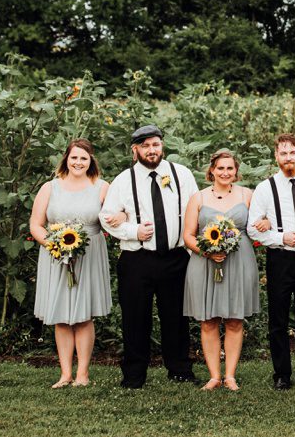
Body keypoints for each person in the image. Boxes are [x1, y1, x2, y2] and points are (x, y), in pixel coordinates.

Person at [99, 124, 200, 388]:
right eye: (145, 146)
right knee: (135, 318)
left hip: (176, 257)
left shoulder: (182, 174)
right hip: (137, 259)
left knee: (177, 317)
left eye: (155, 145)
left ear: (161, 146)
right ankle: (134, 375)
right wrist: (133, 231)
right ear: (135, 150)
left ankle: (179, 368)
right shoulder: (123, 180)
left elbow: (196, 210)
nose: (152, 150)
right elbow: (107, 218)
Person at [29, 138, 112, 388]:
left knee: (84, 315)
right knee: (62, 316)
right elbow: (35, 224)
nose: (78, 162)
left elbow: (115, 217)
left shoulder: (102, 187)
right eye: (74, 157)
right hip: (56, 256)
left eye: (83, 158)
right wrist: (54, 245)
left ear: (91, 161)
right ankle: (65, 373)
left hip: (89, 256)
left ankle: (83, 374)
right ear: (66, 159)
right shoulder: (49, 188)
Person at [247, 133, 295, 389]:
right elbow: (252, 228)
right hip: (280, 260)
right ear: (276, 157)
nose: (288, 157)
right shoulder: (265, 188)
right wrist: (281, 237)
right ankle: (282, 374)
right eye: (283, 153)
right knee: (278, 319)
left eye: (292, 152)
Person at [182, 149, 260, 391]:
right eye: (220, 168)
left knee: (235, 319)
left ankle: (231, 376)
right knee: (208, 320)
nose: (225, 172)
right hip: (204, 262)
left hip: (239, 261)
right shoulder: (199, 197)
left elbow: (260, 224)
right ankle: (214, 376)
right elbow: (187, 235)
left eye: (230, 168)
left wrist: (265, 221)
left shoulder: (248, 195)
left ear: (236, 171)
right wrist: (206, 251)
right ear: (212, 171)